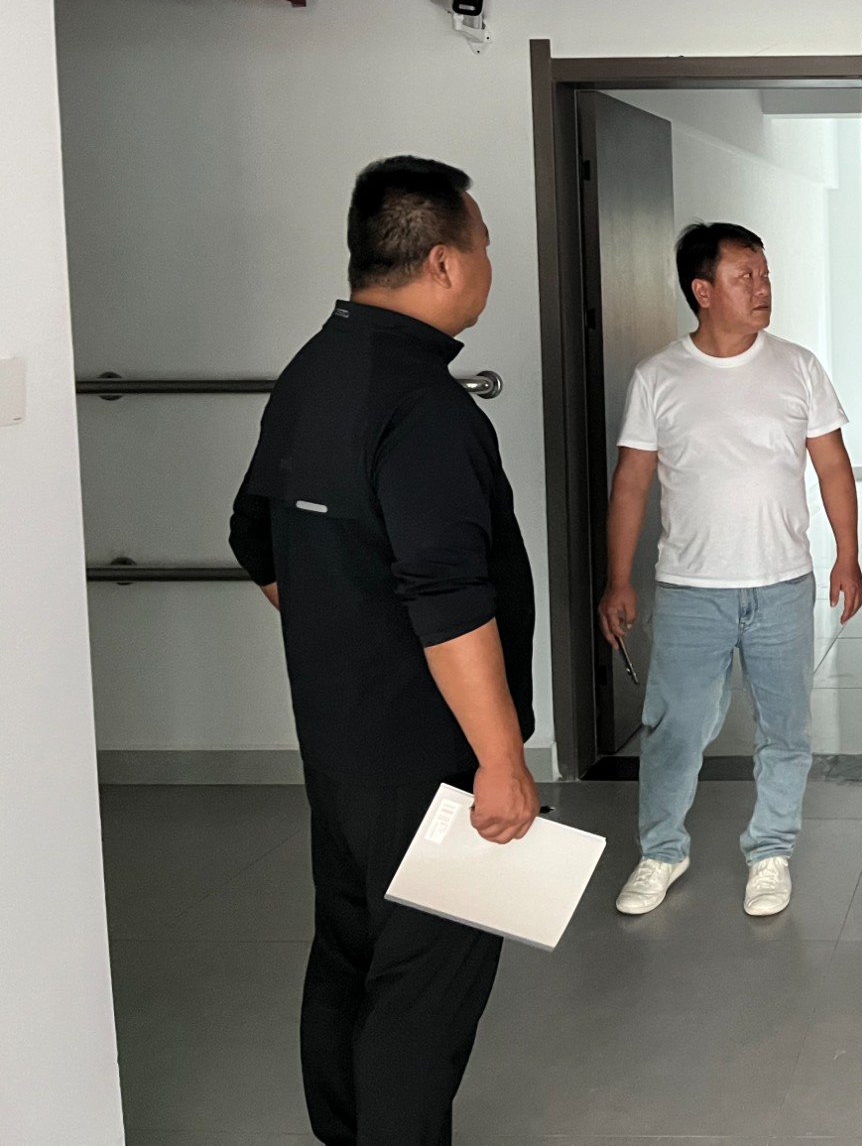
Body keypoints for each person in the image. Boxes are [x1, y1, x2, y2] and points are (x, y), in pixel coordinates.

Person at [228, 156, 538, 1145]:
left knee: (350, 948)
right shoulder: (426, 410)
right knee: (424, 983)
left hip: (337, 740)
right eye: (482, 244)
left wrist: (344, 629)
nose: (488, 263)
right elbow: (448, 600)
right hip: (427, 754)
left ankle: (345, 1131)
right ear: (443, 262)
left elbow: (253, 537)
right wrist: (499, 760)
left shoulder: (312, 373)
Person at [600, 222, 862, 921]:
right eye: (745, 276)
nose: (762, 287)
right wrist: (619, 578)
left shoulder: (797, 367)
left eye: (765, 274)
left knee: (786, 730)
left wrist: (847, 554)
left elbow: (833, 466)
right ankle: (662, 851)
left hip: (782, 583)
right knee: (675, 728)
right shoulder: (659, 377)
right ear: (703, 290)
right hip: (691, 588)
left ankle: (770, 851)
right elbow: (631, 483)